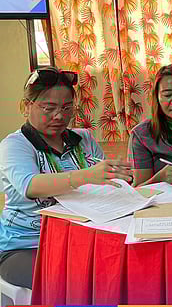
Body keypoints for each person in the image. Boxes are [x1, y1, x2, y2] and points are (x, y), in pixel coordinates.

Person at [0, 67, 133, 289]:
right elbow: (31, 185)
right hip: (27, 245)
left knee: (123, 271)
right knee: (74, 283)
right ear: (26, 107)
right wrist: (87, 175)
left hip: (82, 239)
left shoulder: (83, 138)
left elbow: (105, 186)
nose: (59, 116)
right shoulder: (15, 145)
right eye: (49, 108)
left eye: (67, 107)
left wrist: (120, 177)